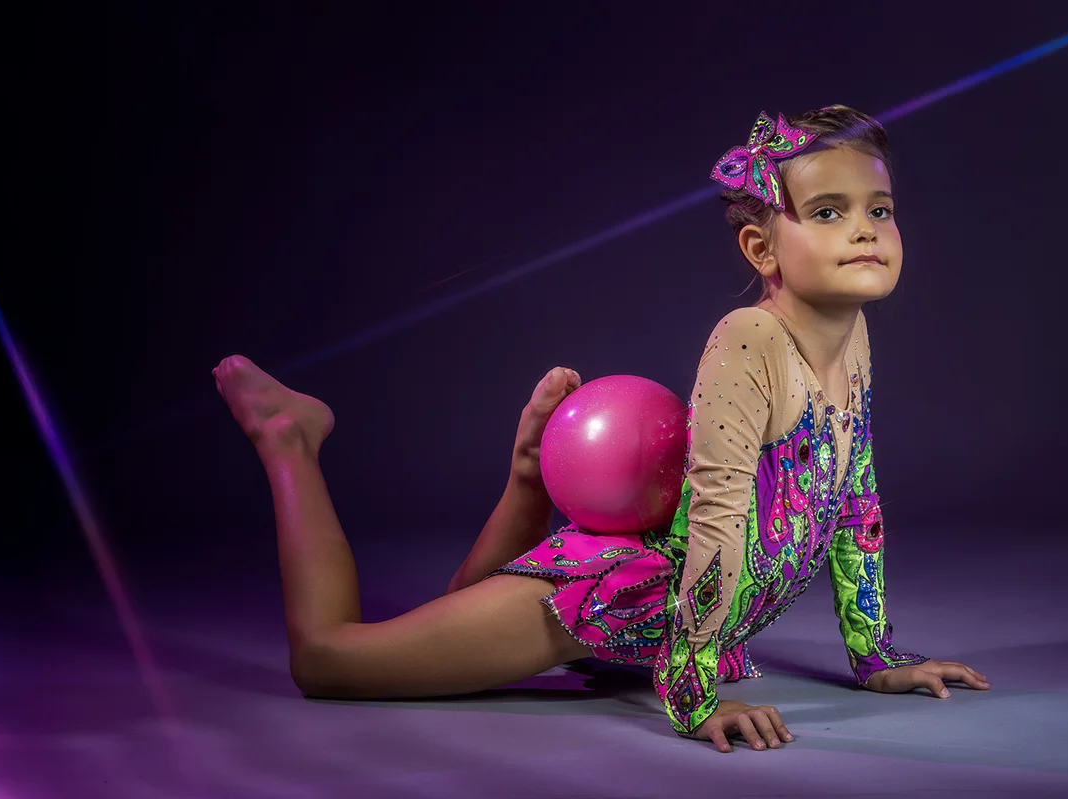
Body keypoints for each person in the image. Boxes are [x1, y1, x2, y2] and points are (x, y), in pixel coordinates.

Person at [211, 104, 989, 754]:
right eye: (829, 212)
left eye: (878, 210)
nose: (866, 231)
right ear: (762, 248)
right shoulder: (749, 339)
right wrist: (693, 693)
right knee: (332, 659)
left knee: (455, 617)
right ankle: (290, 438)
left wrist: (874, 653)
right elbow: (718, 516)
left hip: (680, 615)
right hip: (621, 591)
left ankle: (526, 475)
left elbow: (855, 495)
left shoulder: (849, 335)